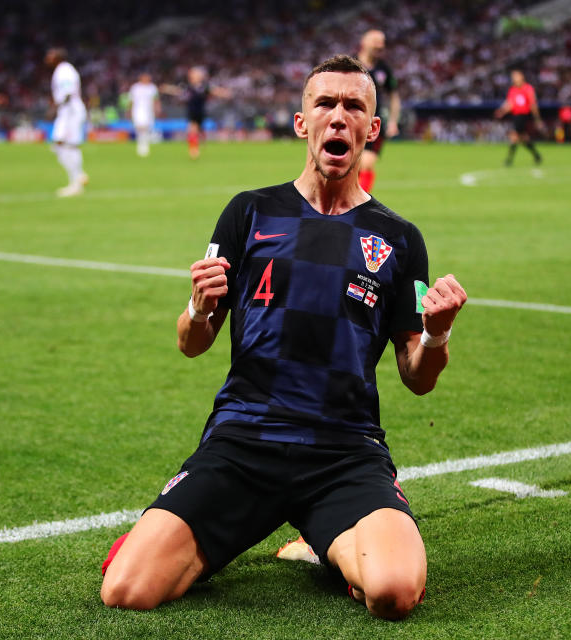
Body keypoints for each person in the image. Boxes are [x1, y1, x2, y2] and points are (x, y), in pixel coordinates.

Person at [100, 55, 467, 621]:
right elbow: (191, 343)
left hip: (344, 451)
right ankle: (267, 529)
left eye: (354, 107)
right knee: (127, 590)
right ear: (302, 122)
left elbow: (417, 377)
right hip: (245, 440)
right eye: (324, 104)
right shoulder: (248, 214)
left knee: (395, 592)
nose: (338, 118)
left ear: (374, 129)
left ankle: (324, 539)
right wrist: (198, 309)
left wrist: (437, 337)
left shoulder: (400, 239)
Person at [355, 29, 400, 193]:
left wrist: (393, 121)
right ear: (364, 42)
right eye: (376, 42)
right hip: (351, 123)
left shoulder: (384, 69)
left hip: (374, 124)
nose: (380, 47)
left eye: (382, 44)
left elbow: (394, 96)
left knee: (367, 162)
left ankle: (359, 206)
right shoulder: (350, 64)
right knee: (352, 165)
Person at [161, 67, 231, 159]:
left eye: (196, 75)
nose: (194, 76)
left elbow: (215, 91)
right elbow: (177, 90)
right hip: (191, 111)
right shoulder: (187, 86)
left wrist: (224, 93)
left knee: (199, 131)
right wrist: (167, 88)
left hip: (201, 111)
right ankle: (193, 150)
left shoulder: (204, 86)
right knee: (192, 129)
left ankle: (200, 141)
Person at [45, 48, 88, 197]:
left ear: (58, 57)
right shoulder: (62, 70)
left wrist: (54, 109)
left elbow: (68, 92)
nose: (47, 58)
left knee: (66, 144)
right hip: (67, 111)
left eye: (50, 55)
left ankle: (76, 182)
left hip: (70, 112)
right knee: (62, 145)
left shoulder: (64, 71)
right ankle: (78, 176)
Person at [494, 69, 543, 166]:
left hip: (523, 116)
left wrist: (537, 118)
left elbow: (533, 104)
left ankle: (509, 160)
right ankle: (537, 156)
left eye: (516, 76)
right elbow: (510, 104)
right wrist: (502, 111)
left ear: (522, 77)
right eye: (513, 77)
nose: (514, 79)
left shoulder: (528, 88)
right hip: (515, 116)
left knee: (514, 136)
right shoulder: (513, 90)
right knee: (524, 138)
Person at [128, 73, 161, 157]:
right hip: (138, 110)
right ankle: (141, 144)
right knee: (139, 127)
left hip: (149, 110)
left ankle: (144, 145)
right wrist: (129, 110)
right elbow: (131, 100)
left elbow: (156, 99)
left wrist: (157, 109)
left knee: (146, 127)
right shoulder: (135, 87)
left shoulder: (152, 88)